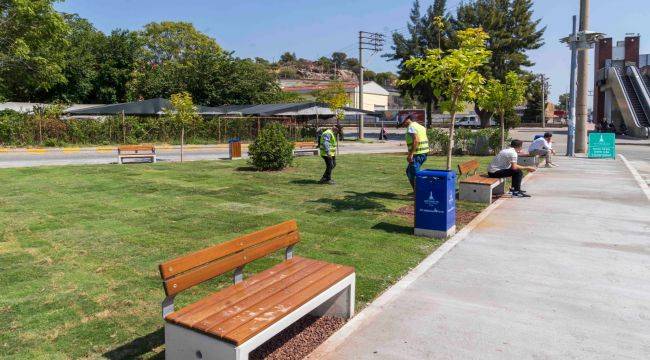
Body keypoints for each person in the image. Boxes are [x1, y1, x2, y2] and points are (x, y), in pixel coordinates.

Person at [399, 115, 429, 189]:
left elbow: (416, 140)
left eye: (403, 123)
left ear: (407, 120)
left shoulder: (411, 127)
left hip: (417, 154)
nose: (403, 125)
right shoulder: (420, 126)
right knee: (410, 172)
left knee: (414, 174)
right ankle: (417, 192)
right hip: (423, 153)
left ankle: (420, 192)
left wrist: (410, 154)